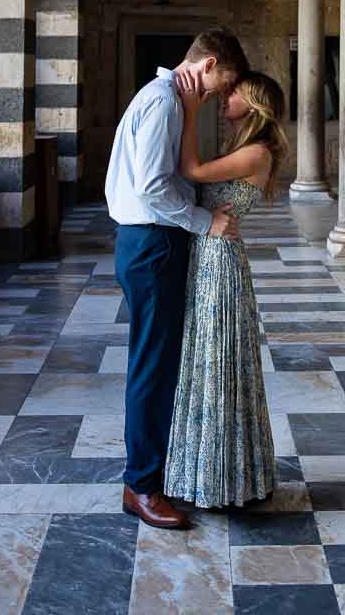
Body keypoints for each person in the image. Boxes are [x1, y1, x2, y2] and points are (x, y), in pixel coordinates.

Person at [105, 27, 249, 531]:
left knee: (161, 363)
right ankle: (141, 486)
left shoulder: (159, 96)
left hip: (145, 242)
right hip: (152, 243)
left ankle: (151, 475)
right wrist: (204, 221)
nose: (213, 99)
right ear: (207, 65)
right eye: (218, 87)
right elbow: (150, 187)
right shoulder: (166, 101)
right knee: (152, 367)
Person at [164, 70, 289, 509]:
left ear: (252, 103)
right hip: (209, 255)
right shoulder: (244, 149)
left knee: (218, 363)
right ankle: (203, 473)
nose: (225, 96)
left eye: (233, 92)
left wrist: (191, 111)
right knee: (207, 360)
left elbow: (192, 170)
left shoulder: (255, 152)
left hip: (219, 262)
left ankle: (221, 481)